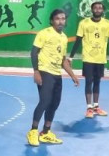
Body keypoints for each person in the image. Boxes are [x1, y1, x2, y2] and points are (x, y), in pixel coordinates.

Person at [27, 9, 79, 146]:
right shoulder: (44, 33)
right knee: (45, 101)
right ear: (52, 21)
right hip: (45, 71)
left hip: (57, 74)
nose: (61, 21)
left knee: (55, 103)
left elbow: (63, 60)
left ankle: (45, 132)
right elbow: (33, 53)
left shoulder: (64, 38)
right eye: (57, 19)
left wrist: (73, 75)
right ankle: (33, 131)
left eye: (63, 18)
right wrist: (36, 71)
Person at [71, 0, 109, 118]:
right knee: (89, 81)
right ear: (92, 9)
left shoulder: (108, 23)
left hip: (100, 58)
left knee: (97, 82)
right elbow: (78, 40)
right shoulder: (84, 23)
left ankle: (96, 107)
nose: (98, 10)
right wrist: (71, 56)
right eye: (95, 8)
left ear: (102, 10)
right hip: (88, 58)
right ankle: (89, 108)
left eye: (100, 8)